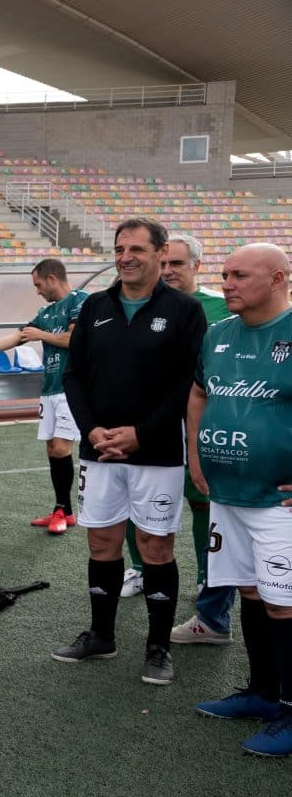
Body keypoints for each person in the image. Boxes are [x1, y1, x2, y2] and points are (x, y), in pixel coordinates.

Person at [52, 217, 207, 685]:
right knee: (101, 541)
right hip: (99, 450)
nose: (126, 257)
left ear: (162, 254)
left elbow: (189, 383)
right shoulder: (96, 305)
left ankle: (157, 646)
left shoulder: (184, 310)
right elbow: (73, 375)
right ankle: (102, 635)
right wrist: (91, 429)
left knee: (155, 546)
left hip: (156, 451)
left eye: (137, 249)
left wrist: (142, 432)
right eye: (120, 249)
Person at [186, 243, 292, 755]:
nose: (226, 283)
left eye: (239, 275)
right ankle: (264, 694)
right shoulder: (218, 335)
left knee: (284, 604)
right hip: (228, 494)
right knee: (250, 592)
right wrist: (195, 453)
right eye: (224, 274)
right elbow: (200, 393)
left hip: (279, 502)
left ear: (277, 279)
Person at [162, 234, 238, 646]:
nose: (168, 271)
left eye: (176, 263)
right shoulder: (146, 305)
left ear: (196, 265)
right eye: (163, 263)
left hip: (215, 429)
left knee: (212, 507)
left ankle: (213, 589)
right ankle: (146, 572)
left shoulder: (225, 311)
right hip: (163, 424)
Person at [0, 258, 86, 534]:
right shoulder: (46, 312)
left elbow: (73, 339)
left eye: (38, 285)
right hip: (49, 388)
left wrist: (40, 334)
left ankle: (62, 511)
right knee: (51, 449)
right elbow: (20, 337)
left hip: (70, 387)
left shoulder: (81, 301)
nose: (38, 291)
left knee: (62, 448)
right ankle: (62, 509)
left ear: (53, 278)